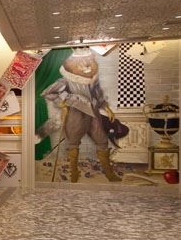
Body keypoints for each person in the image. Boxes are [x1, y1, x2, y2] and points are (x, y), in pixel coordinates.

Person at [40, 50, 121, 182]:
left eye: (88, 60)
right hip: (75, 114)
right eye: (82, 61)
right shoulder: (65, 80)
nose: (86, 64)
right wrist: (64, 101)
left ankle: (109, 172)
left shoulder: (92, 79)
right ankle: (74, 172)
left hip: (93, 113)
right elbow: (48, 93)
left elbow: (98, 93)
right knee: (73, 143)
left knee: (102, 140)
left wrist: (107, 108)